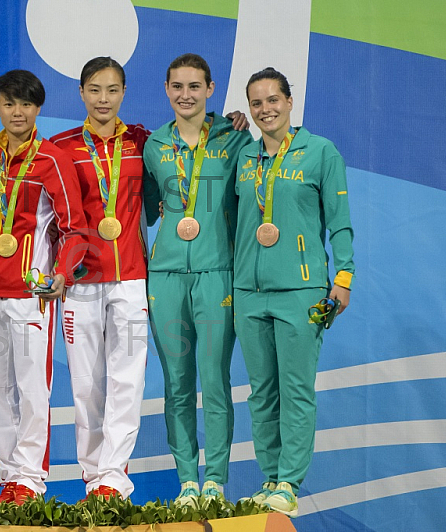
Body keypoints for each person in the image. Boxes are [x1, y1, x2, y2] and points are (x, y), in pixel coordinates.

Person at [233, 67, 354, 517]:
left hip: (302, 291)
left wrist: (343, 278)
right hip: (247, 291)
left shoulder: (319, 152)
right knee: (261, 392)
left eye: (273, 100)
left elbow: (340, 222)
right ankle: (268, 479)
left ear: (289, 101)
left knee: (296, 389)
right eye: (257, 103)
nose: (266, 109)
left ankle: (289, 482)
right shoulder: (244, 158)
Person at [143, 53, 253, 506]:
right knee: (176, 382)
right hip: (166, 275)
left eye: (194, 86)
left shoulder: (235, 140)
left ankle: (215, 480)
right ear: (167, 90)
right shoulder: (154, 144)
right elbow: (147, 210)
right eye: (177, 86)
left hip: (216, 273)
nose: (185, 95)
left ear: (210, 90)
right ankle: (187, 480)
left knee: (215, 378)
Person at [0, 69, 87, 505]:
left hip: (32, 293)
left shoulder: (52, 160)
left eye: (25, 103)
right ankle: (11, 476)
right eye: (8, 103)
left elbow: (74, 228)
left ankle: (31, 478)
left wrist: (62, 273)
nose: (17, 112)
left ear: (38, 107)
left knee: (31, 385)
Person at [49, 57, 150, 500]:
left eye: (111, 90)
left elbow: (194, 138)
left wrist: (229, 124)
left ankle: (113, 477)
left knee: (127, 377)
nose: (103, 99)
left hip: (129, 278)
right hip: (80, 282)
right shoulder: (61, 146)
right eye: (94, 89)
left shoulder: (144, 142)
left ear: (123, 92)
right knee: (86, 384)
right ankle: (93, 478)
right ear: (81, 92)